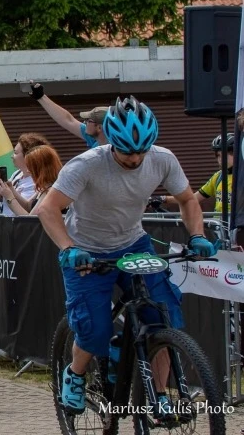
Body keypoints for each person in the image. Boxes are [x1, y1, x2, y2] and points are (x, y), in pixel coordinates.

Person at [33, 97, 216, 415]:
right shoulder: (87, 164)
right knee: (95, 330)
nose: (135, 159)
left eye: (141, 151)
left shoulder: (163, 159)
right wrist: (68, 248)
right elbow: (48, 209)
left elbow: (188, 200)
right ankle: (75, 374)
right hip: (86, 250)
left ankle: (158, 395)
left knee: (162, 318)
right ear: (111, 141)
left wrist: (197, 235)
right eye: (127, 151)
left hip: (134, 245)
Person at [152, 133, 234, 214]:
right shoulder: (218, 177)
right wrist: (163, 198)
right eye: (218, 156)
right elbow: (191, 198)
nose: (220, 159)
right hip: (220, 225)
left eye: (224, 155)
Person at [0, 133, 50, 216]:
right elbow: (1, 197)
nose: (12, 156)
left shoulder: (40, 182)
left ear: (28, 156)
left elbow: (28, 213)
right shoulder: (17, 174)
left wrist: (10, 194)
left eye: (15, 153)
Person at [28, 81, 108, 148]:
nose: (84, 122)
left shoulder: (115, 150)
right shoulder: (95, 139)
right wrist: (41, 97)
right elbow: (68, 120)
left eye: (88, 120)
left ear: (99, 127)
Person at [0, 145, 62, 216]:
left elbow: (29, 220)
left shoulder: (50, 191)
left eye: (30, 167)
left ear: (41, 168)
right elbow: (28, 206)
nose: (28, 171)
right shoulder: (45, 187)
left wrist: (9, 197)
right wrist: (11, 188)